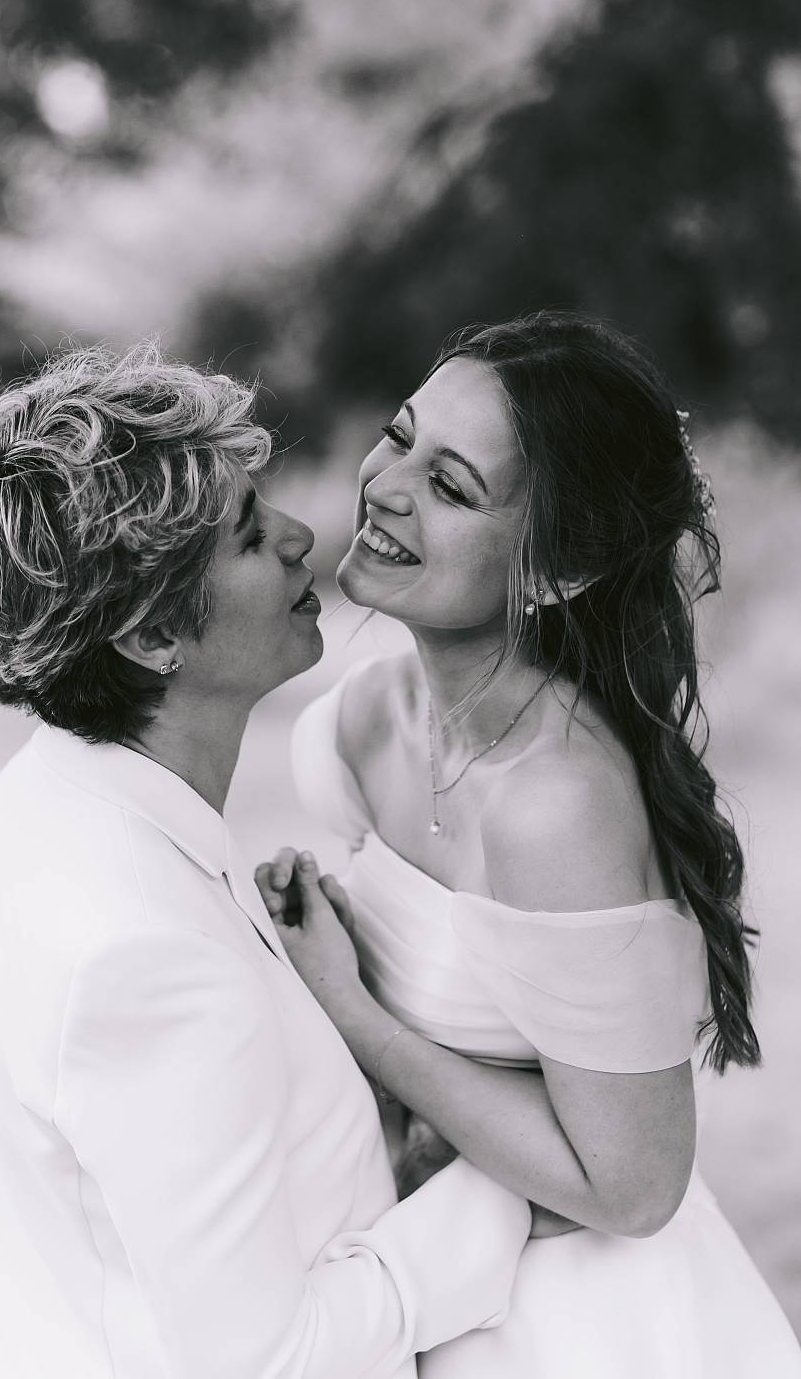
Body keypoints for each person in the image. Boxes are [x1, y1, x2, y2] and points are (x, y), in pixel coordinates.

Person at [0, 342, 538, 1379]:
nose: (304, 538)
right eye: (252, 538)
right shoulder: (139, 949)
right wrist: (500, 1191)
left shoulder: (53, 798)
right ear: (154, 634)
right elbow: (268, 1358)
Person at [258, 312, 801, 1375]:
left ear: (554, 570)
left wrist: (350, 1007)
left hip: (586, 1324)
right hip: (438, 1280)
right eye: (399, 433)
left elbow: (635, 1185)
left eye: (453, 486)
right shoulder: (367, 715)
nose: (386, 484)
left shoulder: (557, 801)